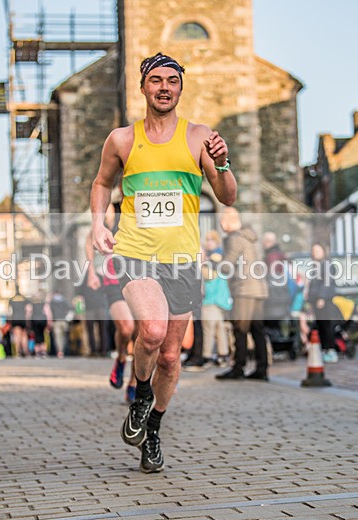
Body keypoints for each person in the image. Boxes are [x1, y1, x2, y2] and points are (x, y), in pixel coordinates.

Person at [90, 52, 236, 473]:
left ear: (180, 88)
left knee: (171, 358)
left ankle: (152, 428)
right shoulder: (121, 139)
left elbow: (227, 196)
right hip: (136, 252)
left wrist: (223, 163)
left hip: (184, 260)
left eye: (172, 80)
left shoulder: (199, 137)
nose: (165, 87)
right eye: (156, 80)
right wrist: (98, 224)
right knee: (150, 330)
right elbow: (101, 183)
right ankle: (139, 396)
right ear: (143, 87)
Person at [87, 202, 138, 401]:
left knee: (142, 336)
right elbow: (88, 238)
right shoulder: (106, 219)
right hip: (113, 282)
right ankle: (121, 357)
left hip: (140, 279)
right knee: (126, 328)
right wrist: (91, 271)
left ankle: (134, 383)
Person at [215, 208, 270, 380]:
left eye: (222, 220)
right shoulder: (251, 238)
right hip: (258, 289)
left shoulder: (234, 238)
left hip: (244, 289)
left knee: (240, 329)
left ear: (229, 221)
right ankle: (262, 369)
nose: (221, 224)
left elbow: (227, 265)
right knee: (257, 329)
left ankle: (238, 368)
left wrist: (215, 263)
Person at [305, 242, 341, 362]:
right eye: (313, 250)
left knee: (327, 326)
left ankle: (331, 350)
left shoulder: (326, 265)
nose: (315, 253)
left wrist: (322, 297)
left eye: (317, 250)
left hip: (324, 300)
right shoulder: (316, 266)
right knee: (320, 326)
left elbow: (327, 282)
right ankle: (325, 349)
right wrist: (310, 298)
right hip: (316, 301)